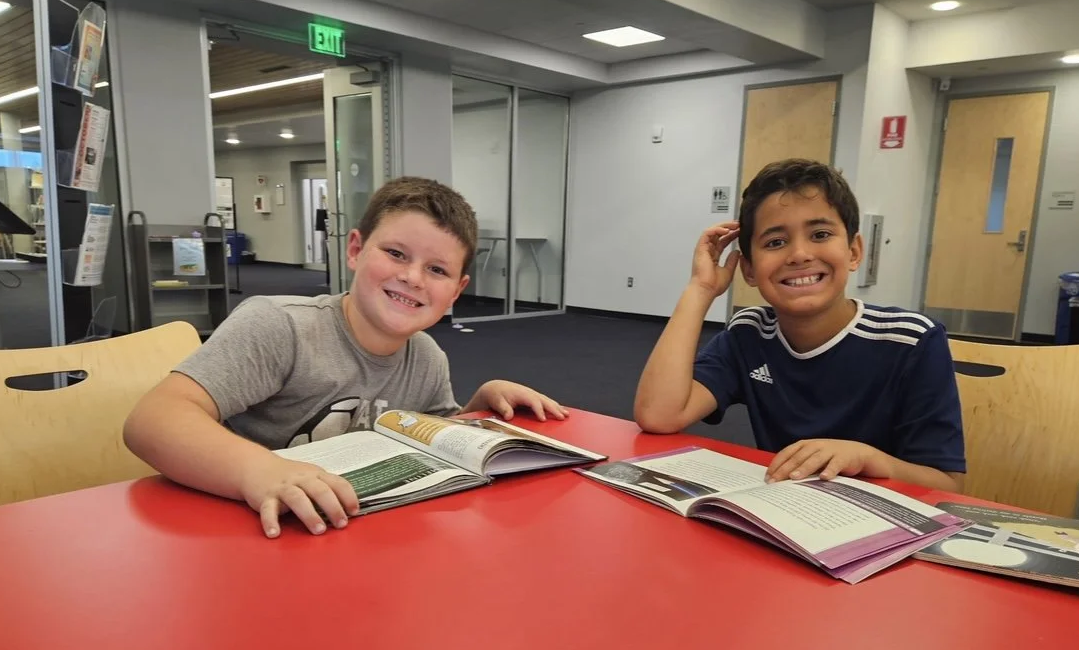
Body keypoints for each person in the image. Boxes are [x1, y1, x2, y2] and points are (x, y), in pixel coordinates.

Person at [125, 176, 566, 538]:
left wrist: (478, 407)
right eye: (395, 253)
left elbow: (429, 441)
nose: (412, 277)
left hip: (346, 534)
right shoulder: (281, 327)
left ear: (456, 289)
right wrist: (259, 471)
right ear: (355, 249)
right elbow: (152, 421)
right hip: (249, 530)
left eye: (437, 269)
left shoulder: (427, 357)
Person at [634, 158, 965, 492]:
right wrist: (700, 290)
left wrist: (866, 458)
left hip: (883, 523)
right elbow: (659, 415)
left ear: (853, 251)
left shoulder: (911, 340)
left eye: (820, 234)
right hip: (786, 511)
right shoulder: (748, 333)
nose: (800, 254)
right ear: (748, 269)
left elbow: (945, 484)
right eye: (775, 242)